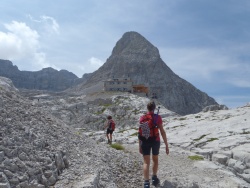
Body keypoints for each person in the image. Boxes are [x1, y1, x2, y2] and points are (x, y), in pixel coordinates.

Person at [139, 101, 169, 188]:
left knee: (146, 162)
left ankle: (146, 183)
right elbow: (162, 132)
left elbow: (139, 133)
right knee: (155, 159)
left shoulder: (142, 118)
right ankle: (154, 177)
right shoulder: (157, 117)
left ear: (147, 108)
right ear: (154, 108)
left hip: (145, 141)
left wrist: (139, 145)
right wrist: (166, 145)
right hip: (155, 140)